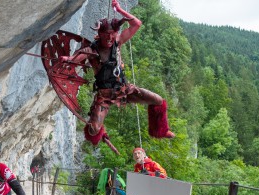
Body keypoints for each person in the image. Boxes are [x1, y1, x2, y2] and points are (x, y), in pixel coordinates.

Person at [60, 0, 174, 149]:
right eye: (106, 35)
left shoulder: (117, 42)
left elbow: (136, 24)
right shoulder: (91, 50)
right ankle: (101, 132)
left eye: (112, 36)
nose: (109, 39)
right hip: (104, 96)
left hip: (125, 90)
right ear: (99, 34)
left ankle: (160, 130)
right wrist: (67, 59)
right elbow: (76, 58)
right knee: (93, 129)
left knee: (158, 100)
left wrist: (119, 9)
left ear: (116, 34)